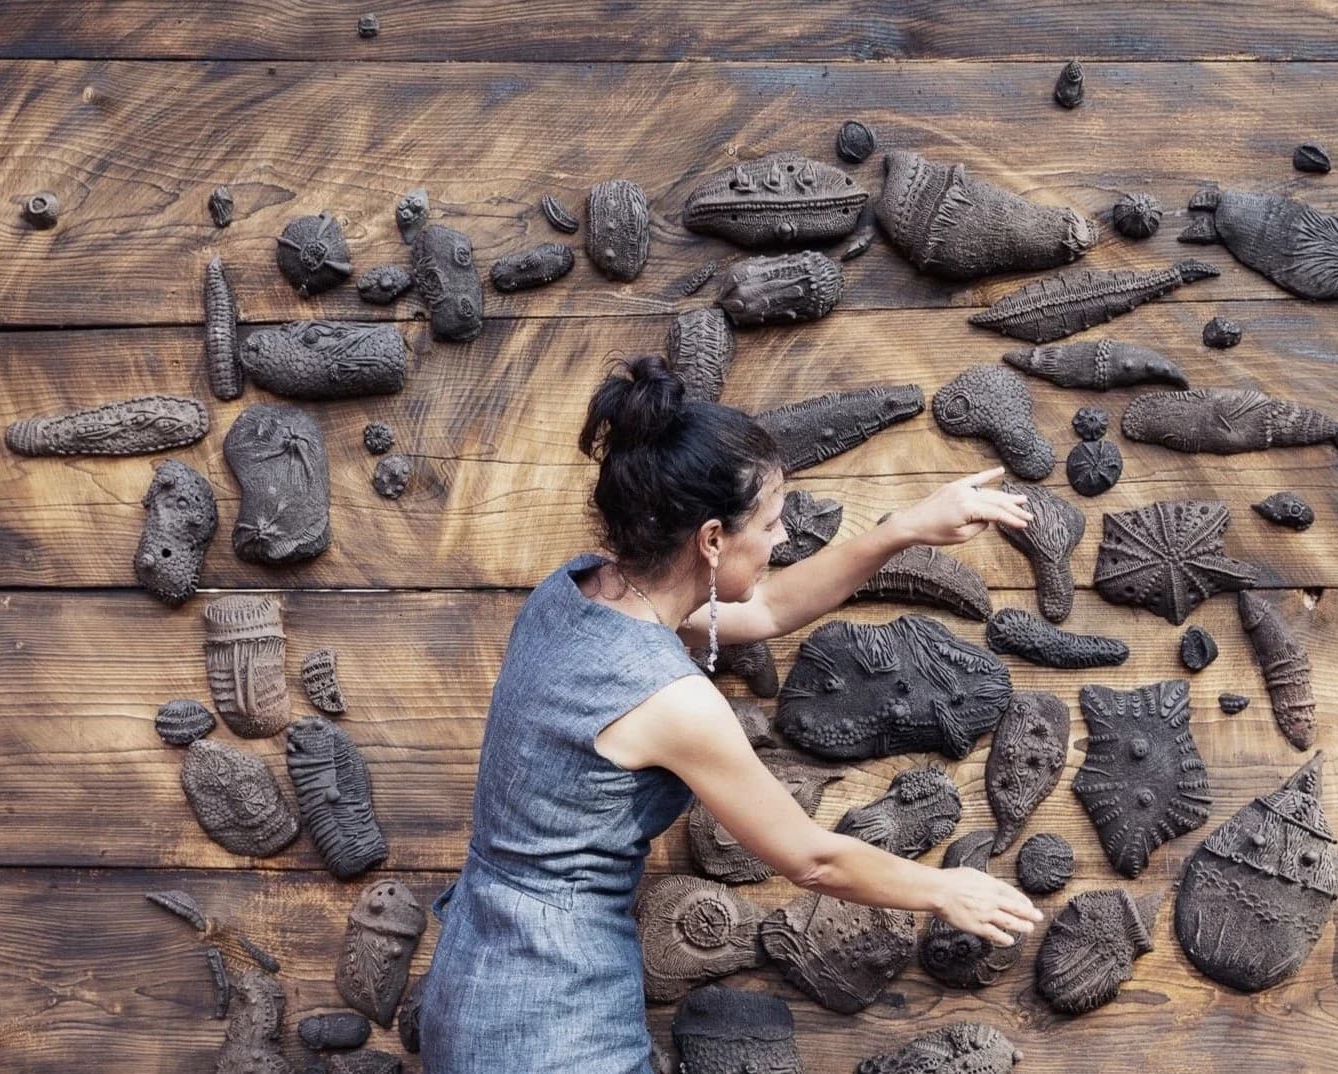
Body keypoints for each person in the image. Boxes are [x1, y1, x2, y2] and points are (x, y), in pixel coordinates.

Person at [417, 355, 1043, 1072]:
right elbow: (812, 860)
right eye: (771, 524)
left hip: (474, 982)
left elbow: (769, 608)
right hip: (553, 1021)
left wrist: (901, 530)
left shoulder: (574, 592)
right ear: (712, 538)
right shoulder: (671, 701)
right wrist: (945, 890)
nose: (781, 540)